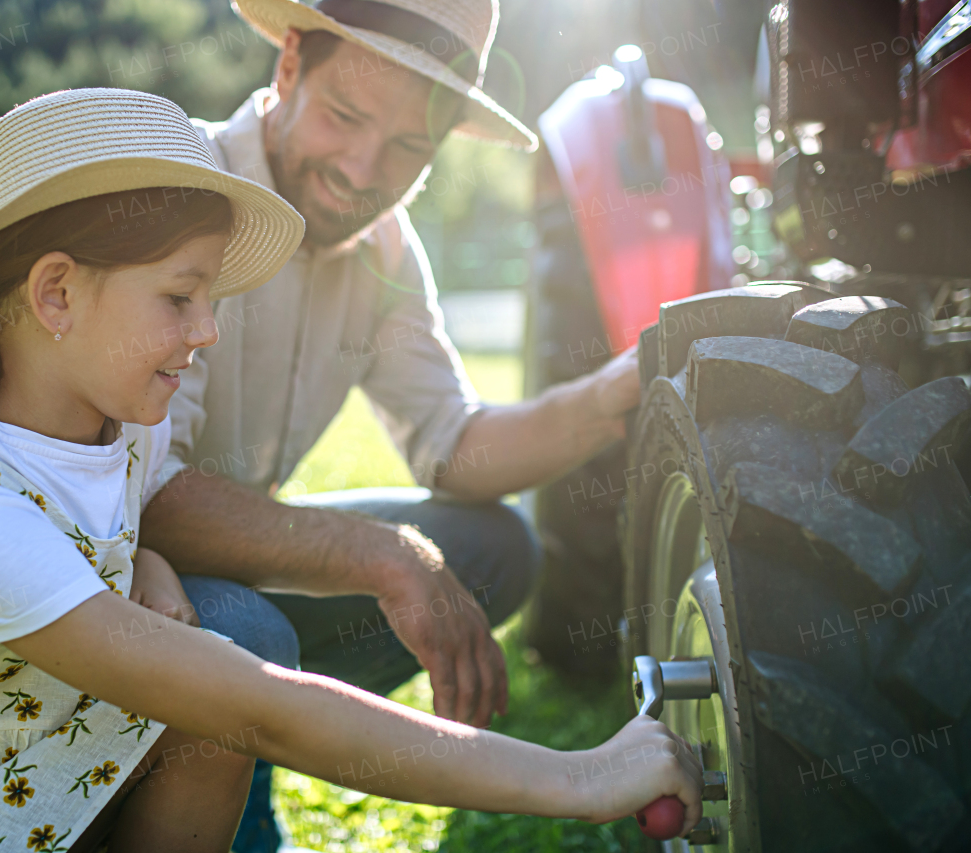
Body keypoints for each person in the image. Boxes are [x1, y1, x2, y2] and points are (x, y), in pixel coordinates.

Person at [0, 88, 700, 853]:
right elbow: (263, 703)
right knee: (218, 694)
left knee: (195, 705)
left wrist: (148, 565)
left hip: (0, 794)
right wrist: (584, 775)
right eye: (180, 297)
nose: (208, 330)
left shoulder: (112, 428)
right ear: (54, 294)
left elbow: (123, 521)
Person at [136, 1, 643, 846]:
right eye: (345, 116)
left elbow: (451, 442)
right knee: (241, 624)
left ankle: (256, 715)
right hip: (105, 575)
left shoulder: (386, 246)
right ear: (290, 63)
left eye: (411, 146)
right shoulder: (182, 189)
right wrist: (383, 555)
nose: (364, 170)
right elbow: (145, 502)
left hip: (220, 572)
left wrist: (608, 396)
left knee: (494, 548)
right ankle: (199, 773)